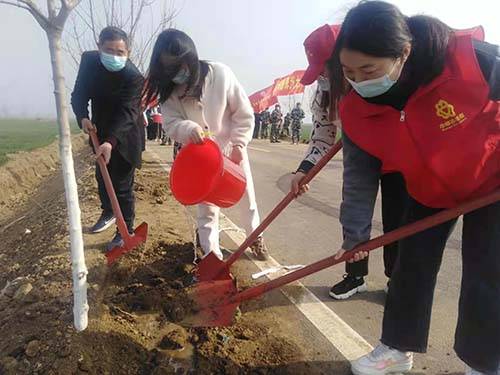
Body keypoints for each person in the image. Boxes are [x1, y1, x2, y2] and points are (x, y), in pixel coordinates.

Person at [325, 2, 500, 374]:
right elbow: (358, 177)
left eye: (369, 69)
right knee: (410, 267)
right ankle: (396, 349)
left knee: (487, 273)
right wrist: (355, 237)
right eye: (349, 71)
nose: (359, 80)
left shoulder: (474, 64)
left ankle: (484, 364)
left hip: (492, 183)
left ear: (403, 53)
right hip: (429, 190)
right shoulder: (358, 110)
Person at [293, 23, 407, 300]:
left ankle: (397, 279)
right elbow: (322, 136)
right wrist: (303, 170)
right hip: (362, 154)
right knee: (354, 214)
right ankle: (355, 275)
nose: (321, 76)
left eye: (324, 69)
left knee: (398, 219)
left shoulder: (383, 74)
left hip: (401, 156)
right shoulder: (326, 93)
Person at [144, 29, 269, 261]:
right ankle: (211, 256)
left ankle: (255, 237)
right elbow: (171, 124)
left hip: (231, 151)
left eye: (179, 66)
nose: (177, 73)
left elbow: (243, 113)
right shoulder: (171, 93)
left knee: (246, 198)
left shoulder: (220, 74)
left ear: (191, 58)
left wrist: (239, 145)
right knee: (207, 207)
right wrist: (189, 129)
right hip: (201, 157)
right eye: (169, 69)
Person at [71, 26, 144, 250]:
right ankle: (109, 212)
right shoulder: (89, 62)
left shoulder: (133, 77)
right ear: (99, 47)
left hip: (126, 133)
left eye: (120, 52)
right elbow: (79, 93)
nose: (114, 56)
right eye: (109, 50)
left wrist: (110, 141)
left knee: (121, 185)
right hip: (99, 128)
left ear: (128, 52)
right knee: (102, 178)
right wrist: (82, 116)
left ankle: (126, 230)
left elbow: (128, 112)